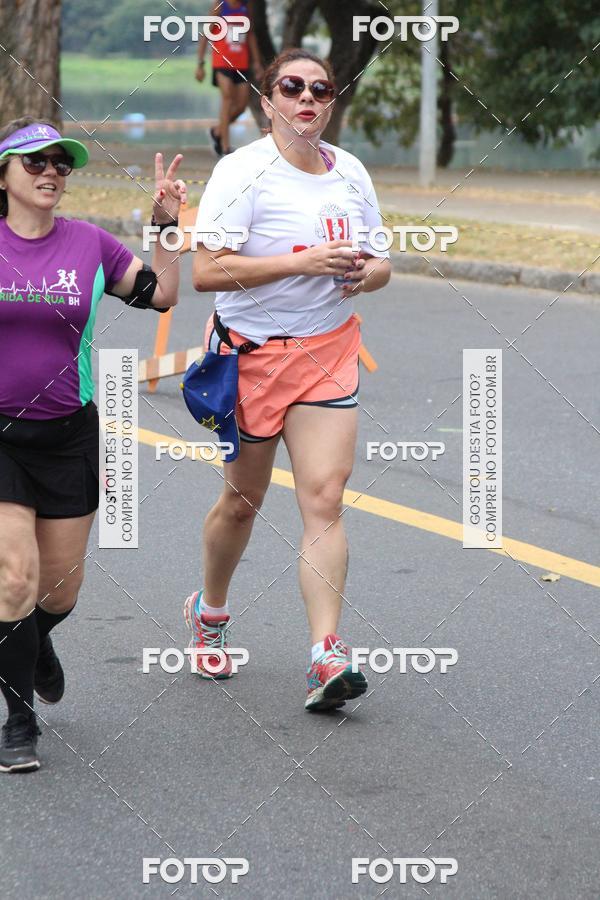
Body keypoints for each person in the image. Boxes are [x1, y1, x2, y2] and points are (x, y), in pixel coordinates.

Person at [188, 49, 392, 711]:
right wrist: (302, 261)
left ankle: (326, 654)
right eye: (292, 87)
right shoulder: (242, 173)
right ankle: (210, 610)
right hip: (249, 355)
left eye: (321, 89)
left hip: (328, 351)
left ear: (332, 100)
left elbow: (384, 261)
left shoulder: (350, 172)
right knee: (242, 502)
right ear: (269, 96)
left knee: (325, 498)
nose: (307, 98)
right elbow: (207, 273)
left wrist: (365, 274)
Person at [0, 117, 187, 772]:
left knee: (57, 593)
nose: (51, 172)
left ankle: (33, 640)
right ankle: (19, 722)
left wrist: (165, 226)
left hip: (69, 436)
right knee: (12, 577)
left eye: (61, 163)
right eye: (35, 162)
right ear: (5, 176)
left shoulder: (89, 245)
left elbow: (161, 296)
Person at [196, 0, 262, 156]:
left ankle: (217, 131)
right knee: (227, 99)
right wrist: (200, 64)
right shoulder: (220, 5)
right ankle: (226, 147)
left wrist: (257, 62)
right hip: (222, 62)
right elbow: (206, 34)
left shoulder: (246, 6)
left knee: (241, 105)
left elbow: (250, 34)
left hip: (242, 63)